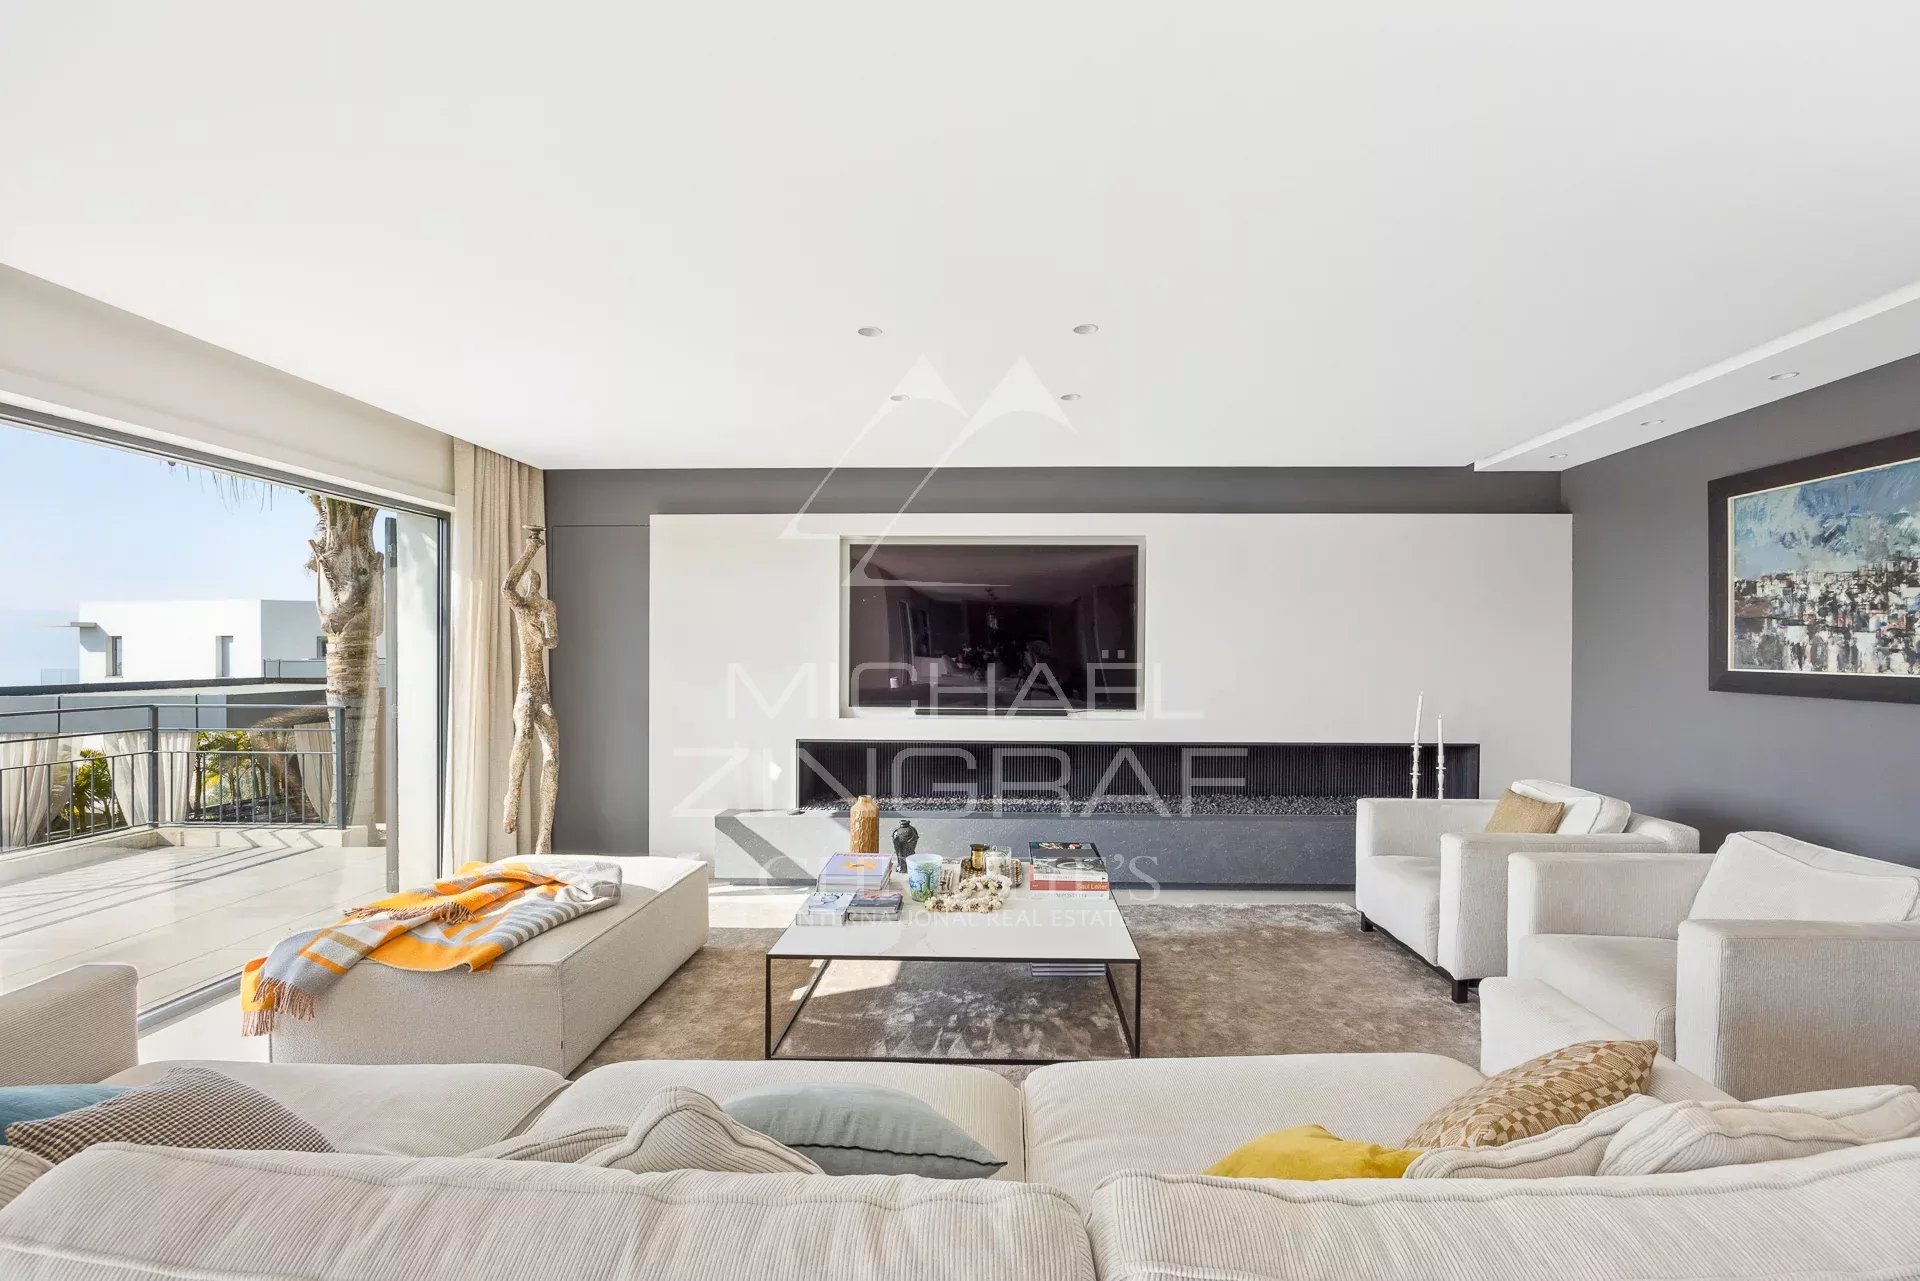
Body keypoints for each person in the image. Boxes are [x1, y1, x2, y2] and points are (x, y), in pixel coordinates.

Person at [503, 525, 559, 853]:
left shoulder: (546, 609)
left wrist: (544, 637)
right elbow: (506, 585)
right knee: (523, 734)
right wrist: (530, 550)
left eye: (533, 579)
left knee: (552, 756)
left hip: (543, 691)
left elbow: (554, 640)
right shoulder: (521, 609)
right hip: (526, 688)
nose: (531, 582)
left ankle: (543, 839)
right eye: (528, 579)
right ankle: (512, 795)